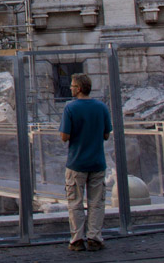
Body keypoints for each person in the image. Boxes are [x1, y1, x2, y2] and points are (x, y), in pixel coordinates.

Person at [60, 72, 113, 252]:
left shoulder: (70, 108)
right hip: (97, 162)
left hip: (76, 163)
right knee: (97, 202)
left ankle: (77, 240)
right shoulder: (101, 107)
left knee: (75, 202)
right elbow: (106, 134)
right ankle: (94, 238)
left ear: (79, 88)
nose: (71, 88)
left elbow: (64, 136)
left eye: (73, 86)